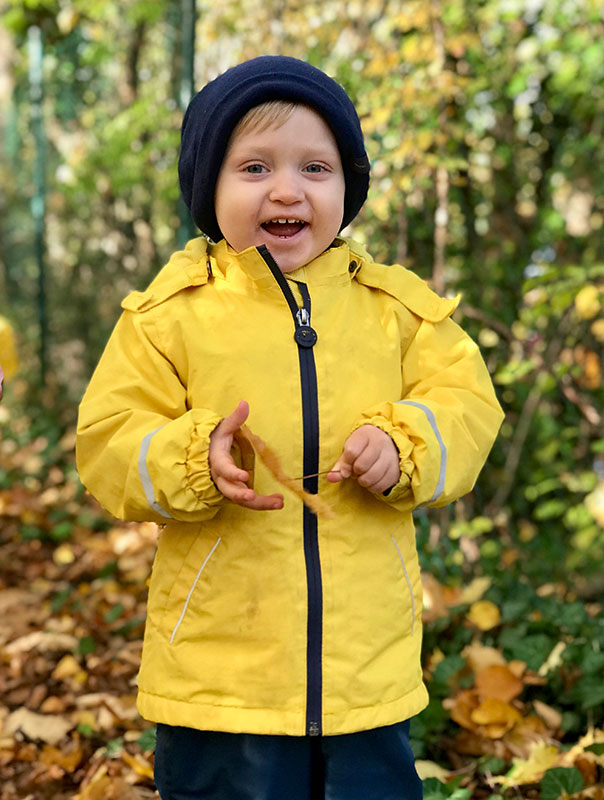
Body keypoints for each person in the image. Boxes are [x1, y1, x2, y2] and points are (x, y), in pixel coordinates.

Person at [76, 56, 504, 800]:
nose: (287, 188)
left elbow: (467, 405)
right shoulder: (169, 317)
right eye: (253, 167)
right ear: (208, 187)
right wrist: (188, 459)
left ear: (348, 187)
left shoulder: (394, 311)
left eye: (316, 166)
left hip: (364, 670)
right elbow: (108, 437)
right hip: (219, 675)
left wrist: (406, 444)